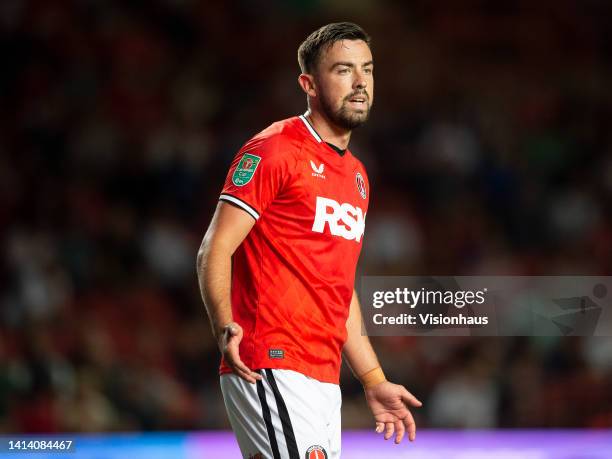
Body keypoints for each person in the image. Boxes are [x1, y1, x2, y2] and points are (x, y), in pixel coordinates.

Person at [196, 22, 421, 459]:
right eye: (343, 70)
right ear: (309, 84)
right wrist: (226, 326)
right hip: (271, 359)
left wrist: (374, 381)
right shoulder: (276, 149)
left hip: (322, 374)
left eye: (367, 70)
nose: (360, 82)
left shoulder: (357, 176)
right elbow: (215, 247)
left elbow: (340, 289)